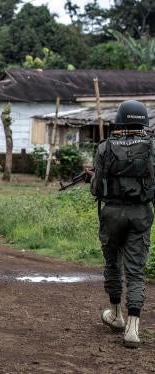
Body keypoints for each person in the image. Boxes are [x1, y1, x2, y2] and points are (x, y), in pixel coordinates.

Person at [89, 100, 154, 348]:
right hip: (140, 214)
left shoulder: (105, 147)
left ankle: (116, 315)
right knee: (136, 271)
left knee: (112, 264)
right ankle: (133, 329)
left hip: (112, 213)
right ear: (143, 121)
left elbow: (97, 188)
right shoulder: (151, 147)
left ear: (120, 120)